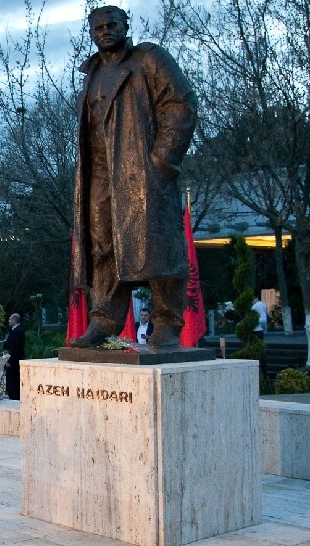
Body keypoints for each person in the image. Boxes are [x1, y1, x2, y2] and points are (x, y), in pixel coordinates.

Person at [69, 5, 198, 348]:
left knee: (156, 245)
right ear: (91, 34)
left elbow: (181, 104)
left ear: (126, 26)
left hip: (141, 169)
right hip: (98, 172)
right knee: (102, 246)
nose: (105, 31)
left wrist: (162, 160)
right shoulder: (92, 73)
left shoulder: (149, 59)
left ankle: (167, 322)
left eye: (112, 24)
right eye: (98, 27)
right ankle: (104, 319)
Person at [4, 313, 26, 401]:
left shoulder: (17, 331)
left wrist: (9, 360)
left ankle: (14, 397)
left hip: (14, 361)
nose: (9, 321)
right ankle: (13, 396)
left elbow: (14, 348)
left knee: (13, 379)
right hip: (14, 360)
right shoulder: (16, 330)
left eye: (10, 319)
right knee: (13, 379)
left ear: (14, 320)